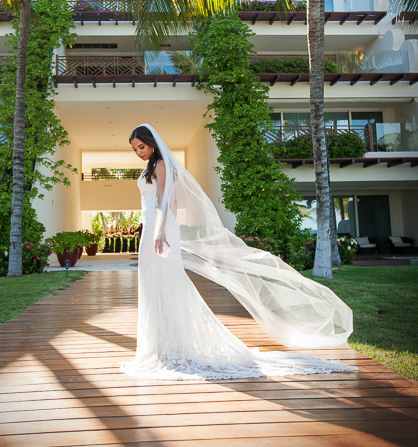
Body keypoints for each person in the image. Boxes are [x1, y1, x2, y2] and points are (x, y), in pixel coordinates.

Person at [119, 123, 356, 381]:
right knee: (154, 283)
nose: (139, 152)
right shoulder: (151, 168)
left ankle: (171, 344)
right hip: (152, 226)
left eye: (141, 146)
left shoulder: (161, 166)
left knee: (166, 283)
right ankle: (160, 344)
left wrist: (163, 231)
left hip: (159, 228)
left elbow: (168, 200)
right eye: (135, 149)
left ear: (152, 142)